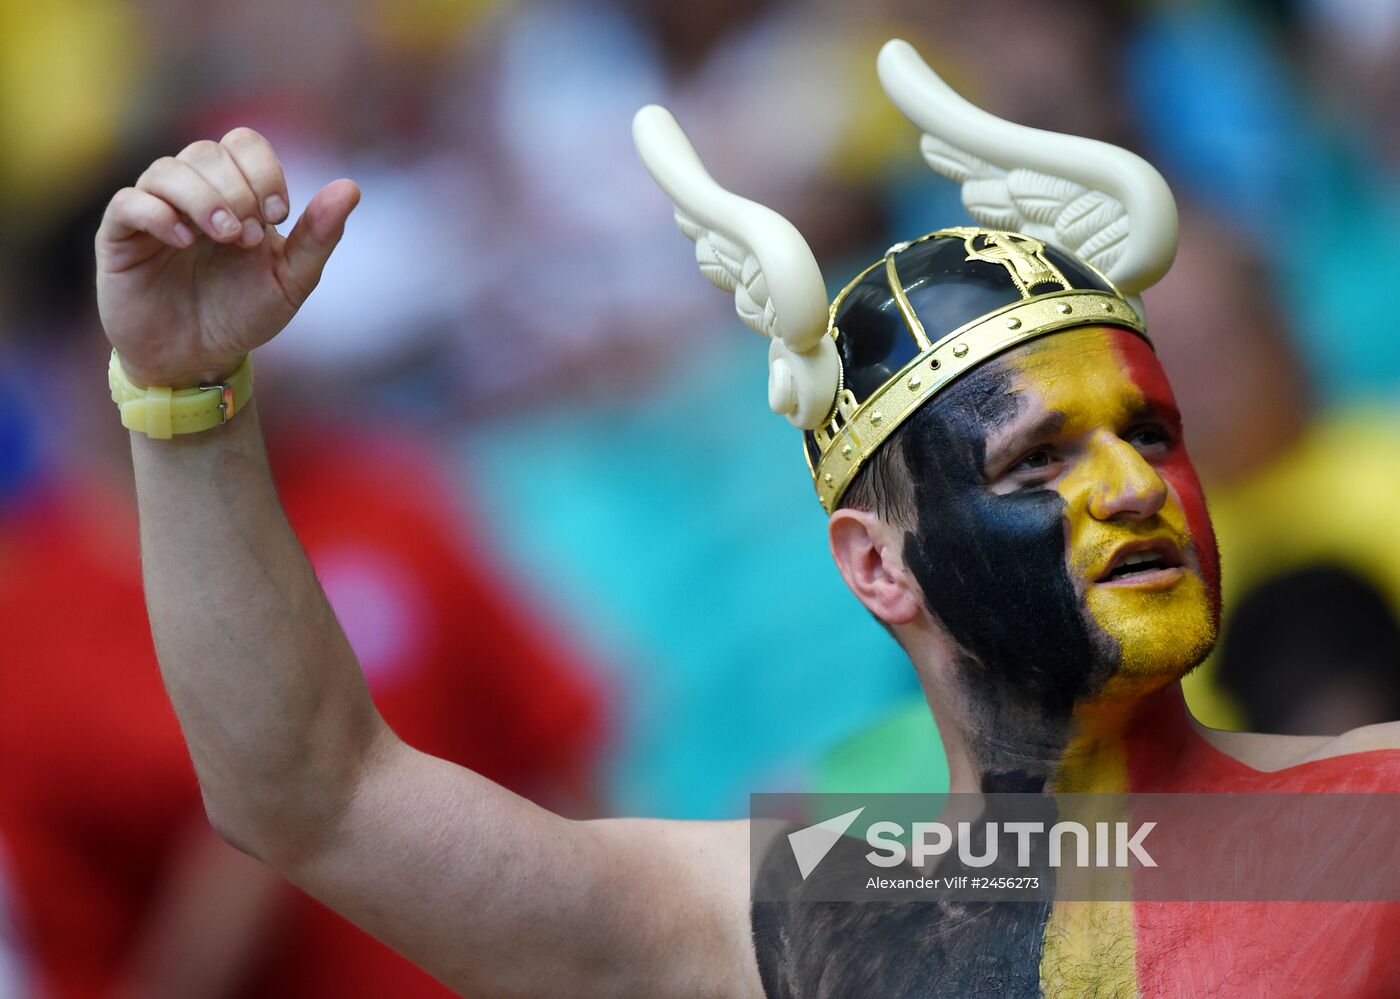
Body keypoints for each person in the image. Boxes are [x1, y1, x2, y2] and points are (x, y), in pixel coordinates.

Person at [93, 38, 1400, 997]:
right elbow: (314, 800)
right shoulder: (807, 919)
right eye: (1038, 457)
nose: (1131, 484)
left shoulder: (1365, 828)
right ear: (877, 565)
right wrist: (183, 395)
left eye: (1153, 433)